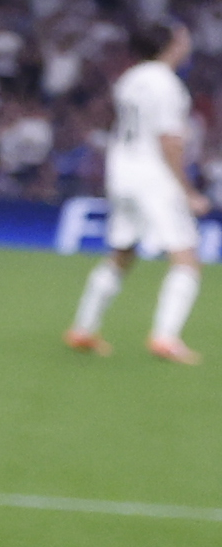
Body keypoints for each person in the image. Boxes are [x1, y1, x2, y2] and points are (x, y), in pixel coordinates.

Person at [65, 19, 200, 362]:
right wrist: (187, 190)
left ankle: (83, 328)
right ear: (171, 45)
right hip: (154, 177)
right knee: (185, 257)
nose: (187, 44)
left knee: (122, 252)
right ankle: (166, 338)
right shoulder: (167, 85)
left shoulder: (130, 79)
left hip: (122, 174)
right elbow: (168, 141)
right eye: (182, 39)